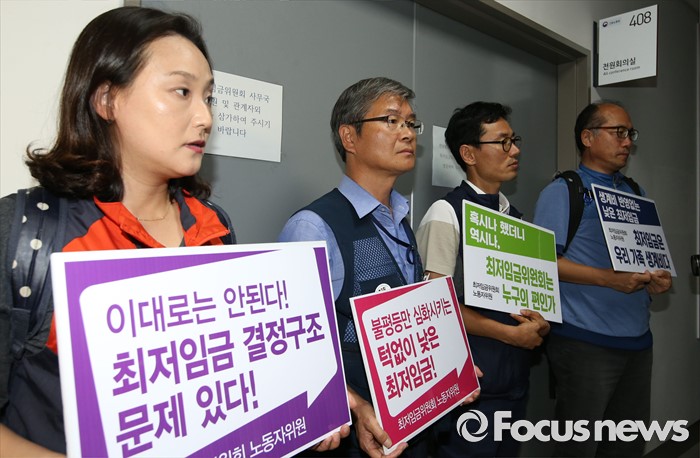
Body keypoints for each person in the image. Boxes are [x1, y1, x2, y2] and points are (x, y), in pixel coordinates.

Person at [0, 7, 239, 455]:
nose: (205, 117)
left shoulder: (215, 227)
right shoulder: (25, 232)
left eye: (209, 97)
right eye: (182, 91)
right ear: (107, 99)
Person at [280, 77, 467, 458]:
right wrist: (354, 404)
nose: (408, 133)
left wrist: (452, 368)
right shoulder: (313, 227)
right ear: (350, 137)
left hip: (413, 422)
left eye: (411, 123)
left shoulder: (399, 220)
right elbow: (294, 350)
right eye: (392, 120)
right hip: (356, 433)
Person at [533, 101, 672, 457]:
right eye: (618, 132)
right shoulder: (563, 191)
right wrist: (608, 280)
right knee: (578, 448)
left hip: (637, 342)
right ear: (587, 137)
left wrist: (657, 280)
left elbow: (643, 259)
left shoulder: (634, 193)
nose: (627, 141)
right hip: (585, 342)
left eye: (630, 134)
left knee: (626, 447)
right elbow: (542, 262)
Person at [415, 102, 550, 457]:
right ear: (468, 154)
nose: (514, 150)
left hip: (514, 383)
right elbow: (435, 307)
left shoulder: (514, 218)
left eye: (514, 140)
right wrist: (510, 334)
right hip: (470, 390)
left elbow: (527, 298)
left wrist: (538, 323)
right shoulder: (446, 213)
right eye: (502, 142)